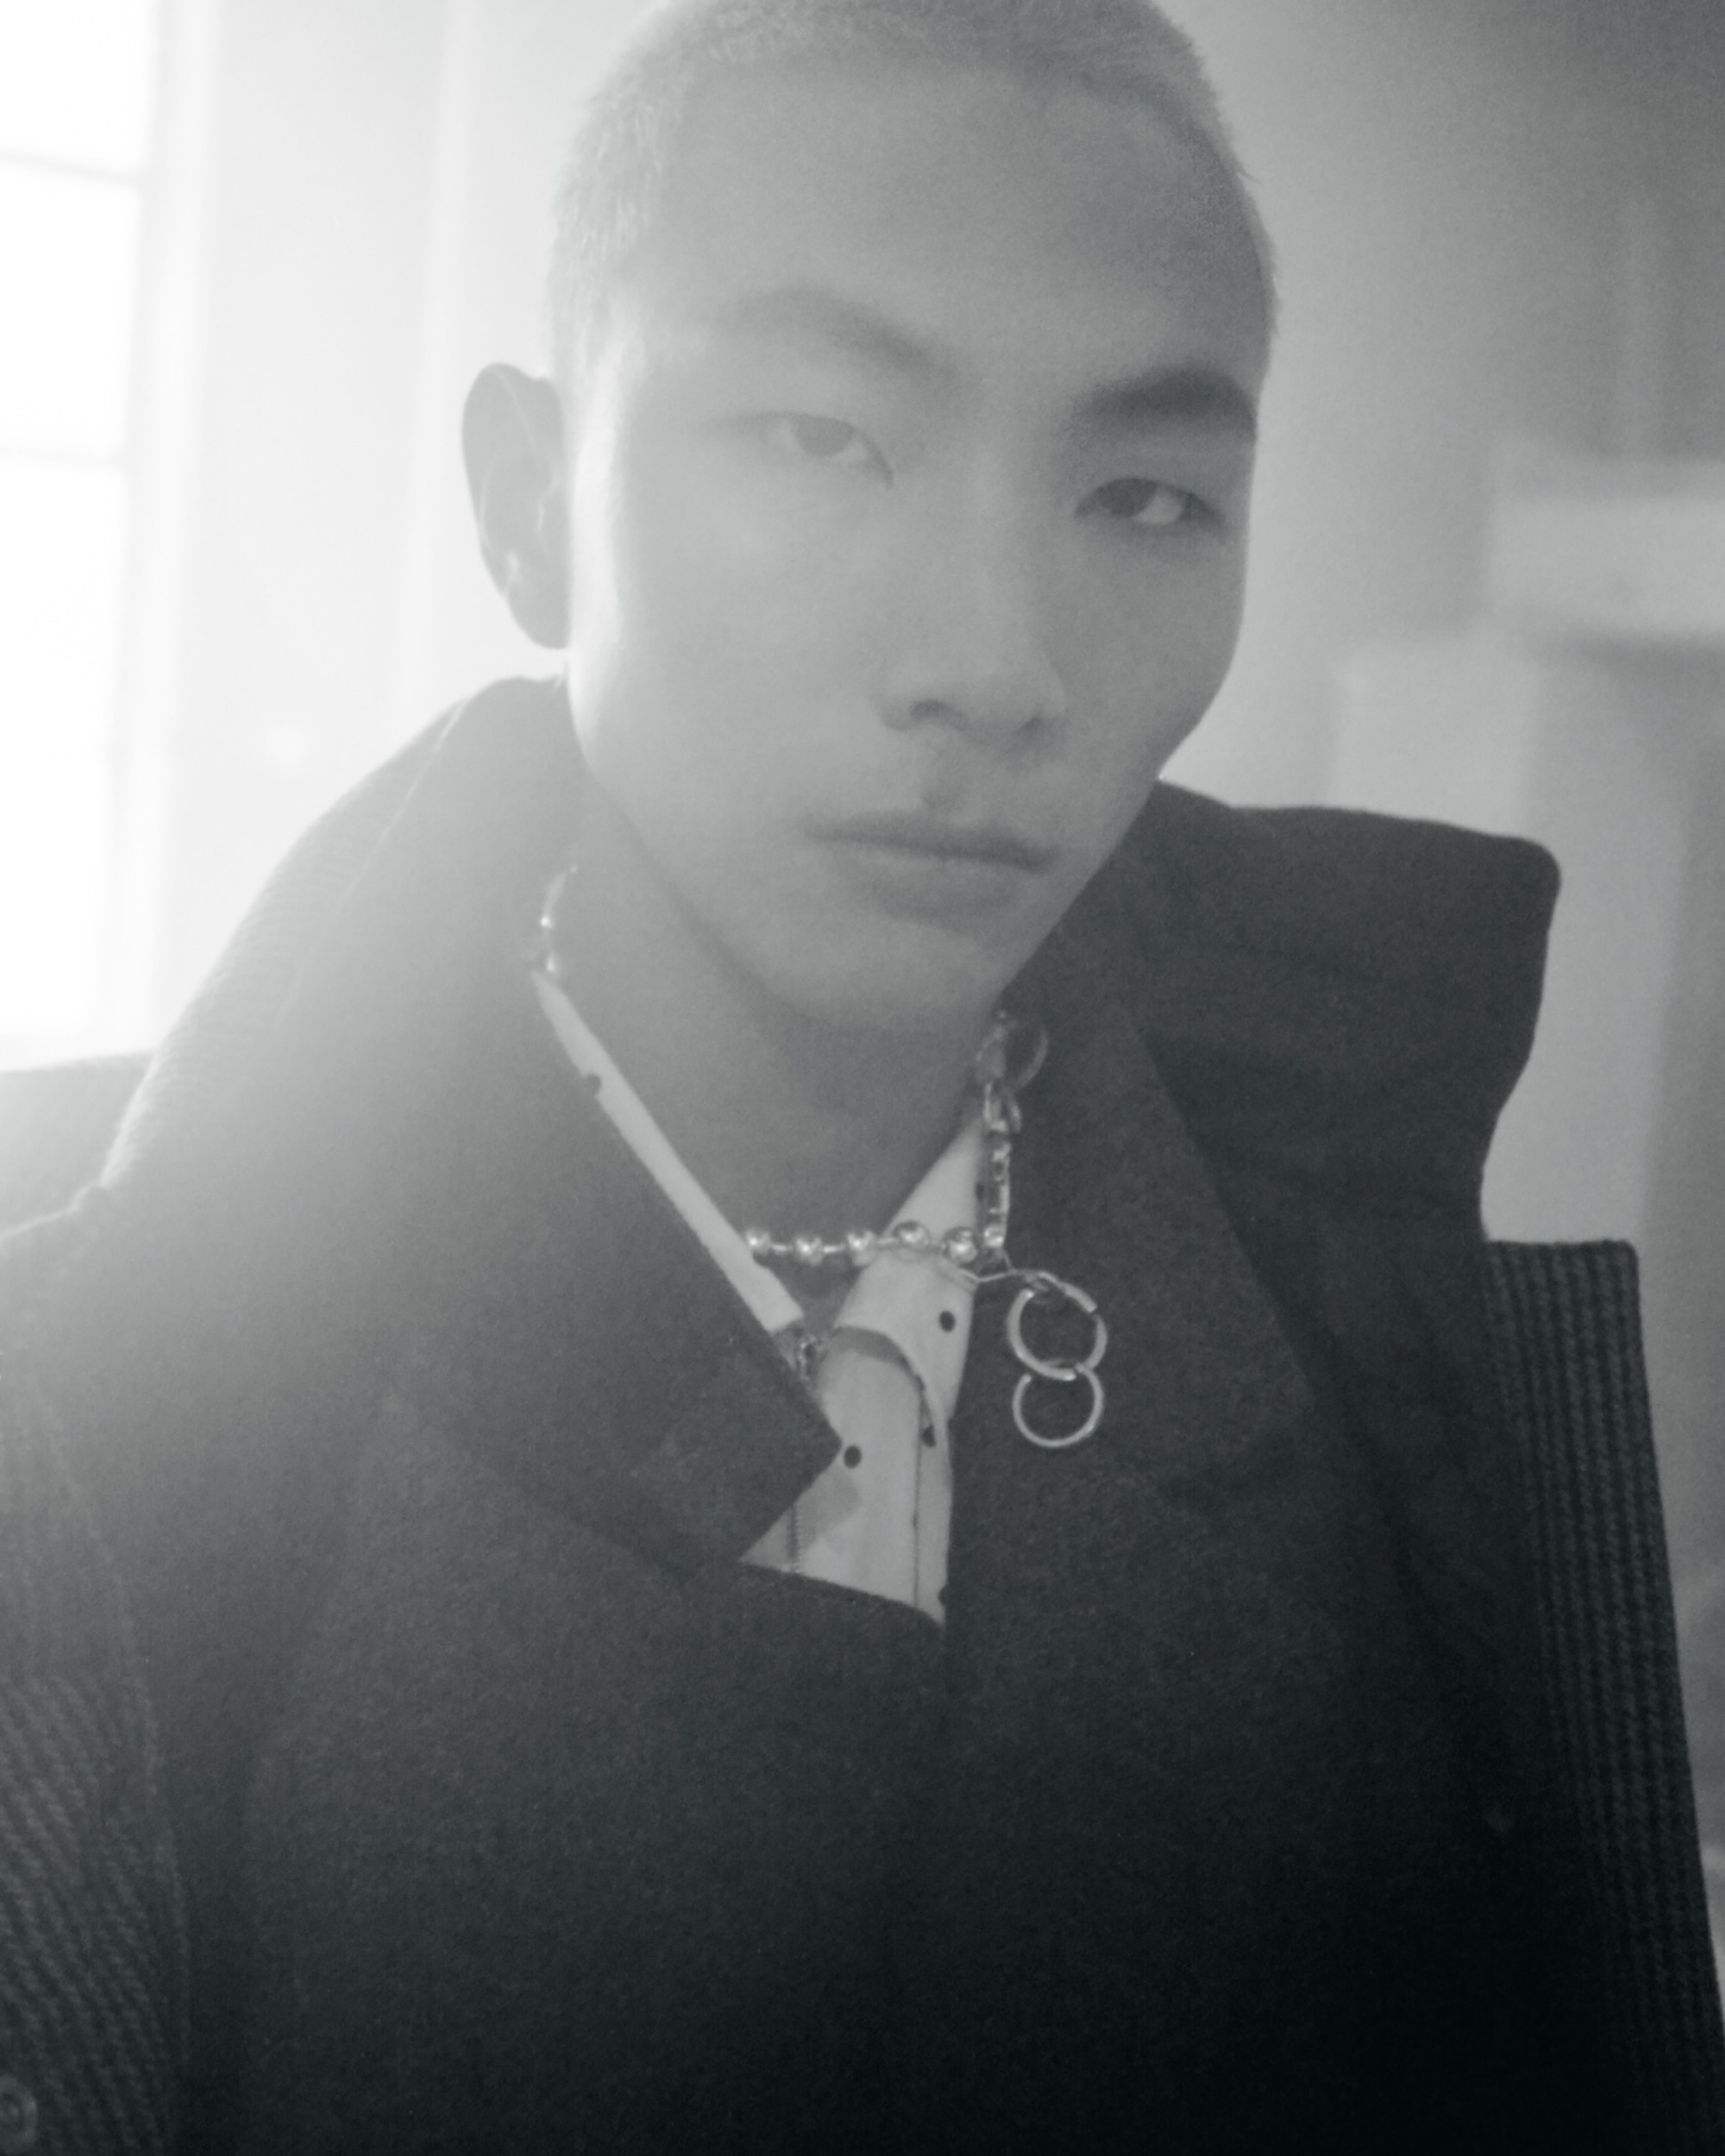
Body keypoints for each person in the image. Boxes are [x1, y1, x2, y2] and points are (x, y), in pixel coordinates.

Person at [0, 0, 1709, 2148]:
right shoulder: (108, 1401)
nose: (995, 664)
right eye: (821, 438)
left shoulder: (1367, 1336)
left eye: (1143, 494)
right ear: (533, 503)